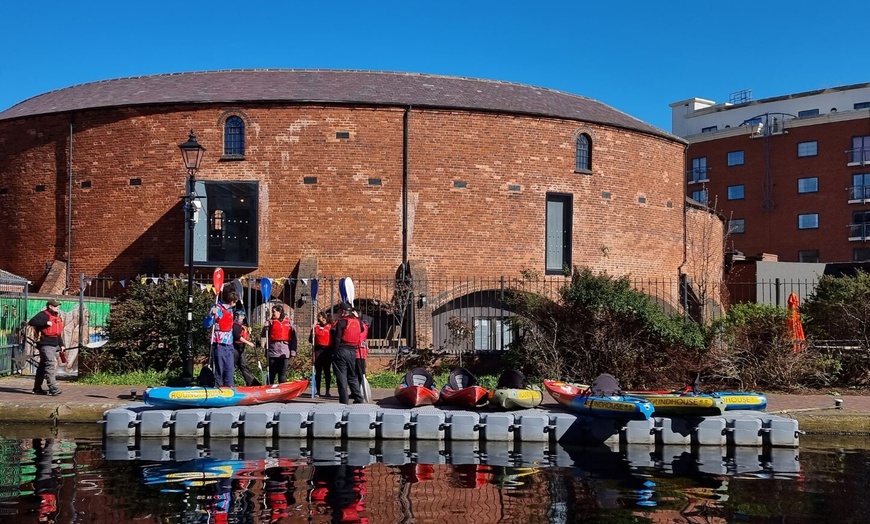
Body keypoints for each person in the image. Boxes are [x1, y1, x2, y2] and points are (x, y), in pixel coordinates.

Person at [203, 290, 240, 387]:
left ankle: (229, 386)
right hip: (219, 344)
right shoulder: (217, 309)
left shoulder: (230, 311)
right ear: (232, 301)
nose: (235, 304)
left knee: (230, 368)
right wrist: (210, 315)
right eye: (235, 302)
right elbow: (206, 325)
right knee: (220, 367)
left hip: (229, 343)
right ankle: (218, 385)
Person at [27, 299, 64, 396]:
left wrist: (61, 345)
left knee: (43, 367)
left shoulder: (56, 316)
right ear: (50, 306)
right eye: (56, 306)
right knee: (50, 365)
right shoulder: (43, 315)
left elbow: (57, 333)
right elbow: (32, 321)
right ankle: (53, 388)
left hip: (54, 344)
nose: (58, 307)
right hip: (45, 344)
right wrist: (46, 323)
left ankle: (37, 388)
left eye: (58, 306)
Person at [331, 302, 364, 404]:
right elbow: (362, 329)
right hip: (353, 351)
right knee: (352, 376)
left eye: (339, 311)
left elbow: (337, 339)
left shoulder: (341, 323)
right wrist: (356, 317)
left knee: (342, 377)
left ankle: (344, 401)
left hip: (342, 350)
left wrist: (333, 353)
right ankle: (359, 398)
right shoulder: (358, 321)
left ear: (343, 312)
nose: (339, 313)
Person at [262, 304, 297, 384]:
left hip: (285, 351)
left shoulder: (289, 322)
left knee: (282, 374)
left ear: (279, 312)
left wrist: (293, 351)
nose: (273, 314)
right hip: (272, 351)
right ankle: (269, 390)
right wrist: (265, 327)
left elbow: (294, 338)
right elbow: (263, 335)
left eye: (274, 312)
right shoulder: (270, 322)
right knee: (271, 373)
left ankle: (282, 390)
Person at [232, 309, 259, 386]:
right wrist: (249, 343)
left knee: (244, 365)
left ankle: (251, 383)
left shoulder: (242, 326)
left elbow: (245, 336)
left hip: (241, 348)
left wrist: (249, 332)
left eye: (243, 316)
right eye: (241, 316)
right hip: (235, 348)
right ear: (236, 316)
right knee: (232, 366)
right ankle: (228, 383)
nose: (242, 318)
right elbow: (237, 336)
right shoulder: (235, 325)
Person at [310, 312, 333, 397]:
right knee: (318, 371)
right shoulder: (315, 327)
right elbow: (310, 340)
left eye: (319, 317)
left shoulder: (330, 327)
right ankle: (318, 391)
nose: (318, 319)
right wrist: (311, 334)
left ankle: (327, 391)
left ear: (324, 318)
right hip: (318, 350)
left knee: (327, 371)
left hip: (327, 350)